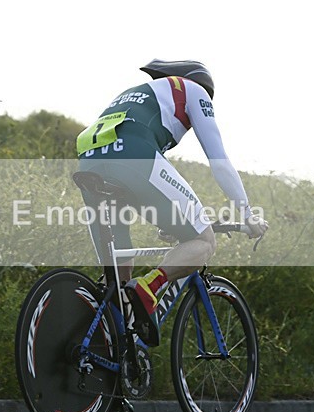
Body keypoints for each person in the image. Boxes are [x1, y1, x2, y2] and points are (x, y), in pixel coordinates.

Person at [76, 59, 268, 346]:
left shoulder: (135, 93)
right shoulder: (192, 89)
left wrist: (171, 220)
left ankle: (109, 359)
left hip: (88, 162)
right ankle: (149, 287)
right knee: (204, 241)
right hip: (133, 156)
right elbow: (218, 160)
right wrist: (247, 213)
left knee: (118, 287)